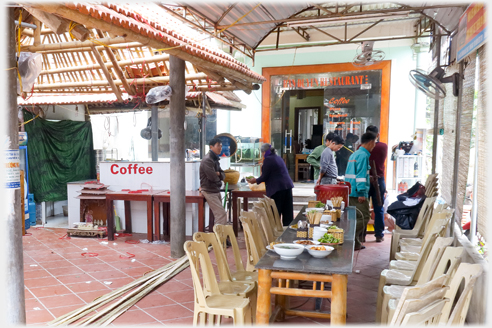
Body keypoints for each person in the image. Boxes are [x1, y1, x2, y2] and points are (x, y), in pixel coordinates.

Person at [247, 144, 294, 226]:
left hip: (278, 188)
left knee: (275, 213)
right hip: (287, 186)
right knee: (287, 213)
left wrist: (255, 180)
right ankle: (288, 233)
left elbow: (265, 176)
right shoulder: (278, 157)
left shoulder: (268, 160)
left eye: (262, 153)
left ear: (264, 152)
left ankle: (276, 234)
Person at [345, 132, 377, 250]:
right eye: (374, 142)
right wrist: (362, 193)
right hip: (357, 191)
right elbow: (361, 176)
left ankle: (355, 243)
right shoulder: (363, 156)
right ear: (370, 142)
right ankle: (348, 237)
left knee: (355, 217)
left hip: (351, 190)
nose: (374, 145)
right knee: (364, 217)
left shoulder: (355, 154)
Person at [365, 125, 388, 242]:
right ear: (377, 135)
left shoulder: (362, 148)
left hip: (365, 179)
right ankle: (379, 234)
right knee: (378, 208)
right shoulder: (383, 146)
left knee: (364, 207)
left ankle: (361, 234)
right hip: (379, 180)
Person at [199, 138, 227, 226]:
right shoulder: (208, 160)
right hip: (209, 190)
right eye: (218, 145)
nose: (220, 148)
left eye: (221, 146)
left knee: (221, 214)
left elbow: (223, 174)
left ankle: (221, 237)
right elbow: (213, 177)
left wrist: (219, 174)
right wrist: (219, 177)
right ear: (211, 147)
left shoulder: (215, 159)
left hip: (215, 190)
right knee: (221, 215)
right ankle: (219, 238)